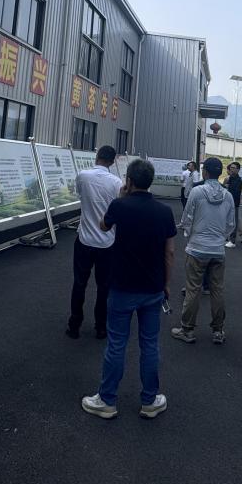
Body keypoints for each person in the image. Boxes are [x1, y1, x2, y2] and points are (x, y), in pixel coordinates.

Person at [81, 159, 177, 419]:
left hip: (122, 286)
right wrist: (166, 284)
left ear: (129, 181)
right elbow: (169, 253)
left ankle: (107, 400)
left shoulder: (119, 206)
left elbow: (103, 226)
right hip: (153, 288)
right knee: (150, 344)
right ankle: (150, 400)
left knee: (116, 343)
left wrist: (121, 198)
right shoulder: (165, 211)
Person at [172, 157, 234, 344]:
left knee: (193, 290)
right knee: (217, 290)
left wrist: (190, 235)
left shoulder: (197, 192)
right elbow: (230, 225)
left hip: (197, 248)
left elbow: (186, 219)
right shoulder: (228, 196)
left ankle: (187, 330)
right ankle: (218, 331)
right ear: (220, 173)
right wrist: (220, 238)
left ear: (205, 172)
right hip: (218, 250)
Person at [67, 145, 122, 339]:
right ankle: (101, 327)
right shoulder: (117, 183)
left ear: (97, 156)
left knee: (79, 283)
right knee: (104, 287)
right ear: (112, 161)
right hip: (107, 242)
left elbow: (80, 196)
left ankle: (74, 325)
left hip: (84, 239)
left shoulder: (83, 176)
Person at [224, 161, 242, 246]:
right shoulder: (230, 178)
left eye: (233, 168)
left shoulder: (238, 180)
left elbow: (235, 193)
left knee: (234, 222)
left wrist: (228, 188)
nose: (231, 169)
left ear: (238, 170)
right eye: (231, 168)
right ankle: (228, 237)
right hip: (228, 203)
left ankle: (232, 241)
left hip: (234, 204)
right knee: (227, 221)